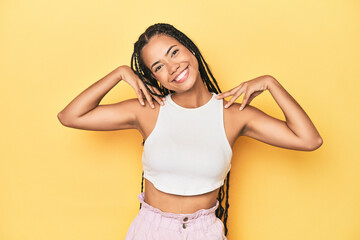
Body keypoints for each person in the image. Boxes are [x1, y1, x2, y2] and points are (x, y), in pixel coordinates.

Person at [57, 23, 323, 240]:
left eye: (174, 52)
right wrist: (119, 74)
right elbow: (70, 116)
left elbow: (309, 139)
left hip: (204, 232)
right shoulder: (148, 110)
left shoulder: (233, 114)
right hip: (151, 231)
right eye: (158, 66)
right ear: (154, 78)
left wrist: (270, 83)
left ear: (191, 51)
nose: (172, 67)